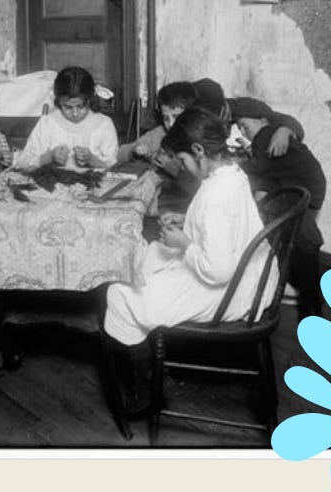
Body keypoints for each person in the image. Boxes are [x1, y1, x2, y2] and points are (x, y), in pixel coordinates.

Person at [103, 107, 275, 414]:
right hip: (256, 276)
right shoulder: (233, 174)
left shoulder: (215, 196)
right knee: (144, 257)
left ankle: (148, 389)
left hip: (232, 290)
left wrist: (184, 244)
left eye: (182, 160)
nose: (181, 166)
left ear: (198, 150)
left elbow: (218, 271)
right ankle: (151, 346)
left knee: (121, 293)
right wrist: (189, 220)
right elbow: (227, 223)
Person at [229, 97, 327, 319]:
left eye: (246, 126)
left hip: (300, 190)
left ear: (264, 121)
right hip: (305, 187)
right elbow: (266, 172)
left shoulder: (265, 136)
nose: (244, 132)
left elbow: (258, 169)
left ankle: (309, 305)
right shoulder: (269, 136)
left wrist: (238, 167)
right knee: (291, 234)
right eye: (241, 128)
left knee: (295, 234)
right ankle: (306, 297)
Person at [14, 66, 118, 171]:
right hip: (51, 184)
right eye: (68, 107)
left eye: (81, 106)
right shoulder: (48, 123)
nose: (75, 113)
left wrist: (93, 160)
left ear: (90, 99)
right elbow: (23, 162)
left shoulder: (103, 124)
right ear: (58, 102)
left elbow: (114, 167)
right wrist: (48, 157)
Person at [116, 81, 198, 164]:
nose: (170, 124)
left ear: (190, 115)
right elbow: (120, 154)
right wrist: (133, 151)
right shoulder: (160, 133)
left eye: (176, 117)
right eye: (166, 118)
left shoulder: (199, 137)